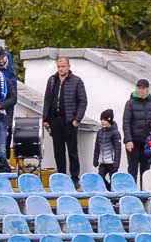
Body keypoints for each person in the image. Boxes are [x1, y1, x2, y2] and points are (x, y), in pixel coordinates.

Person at [42, 57, 88, 188]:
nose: (61, 69)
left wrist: (76, 119)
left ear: (68, 66)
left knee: (72, 150)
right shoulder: (52, 80)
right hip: (54, 120)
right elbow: (47, 100)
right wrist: (45, 118)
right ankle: (61, 175)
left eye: (63, 66)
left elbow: (83, 101)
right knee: (58, 150)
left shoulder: (76, 81)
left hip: (69, 121)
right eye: (59, 66)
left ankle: (74, 177)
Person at [122, 78, 151, 185]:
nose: (141, 90)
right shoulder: (130, 103)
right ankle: (132, 194)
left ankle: (144, 196)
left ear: (147, 90)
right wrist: (128, 140)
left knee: (146, 170)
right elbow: (126, 123)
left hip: (147, 142)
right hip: (133, 142)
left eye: (143, 88)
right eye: (139, 88)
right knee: (132, 169)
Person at [0, 45, 17, 153]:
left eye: (2, 59)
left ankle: (5, 158)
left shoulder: (9, 59)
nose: (0, 62)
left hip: (9, 101)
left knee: (8, 131)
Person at [92, 109, 121, 190]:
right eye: (101, 120)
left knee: (114, 181)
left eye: (104, 120)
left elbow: (118, 150)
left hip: (111, 163)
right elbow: (97, 148)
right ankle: (108, 189)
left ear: (109, 120)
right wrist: (95, 160)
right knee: (99, 178)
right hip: (102, 162)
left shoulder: (115, 133)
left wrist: (116, 164)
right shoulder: (100, 132)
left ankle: (114, 197)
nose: (102, 122)